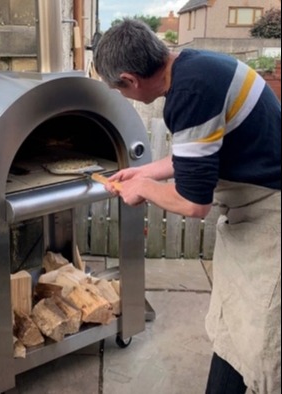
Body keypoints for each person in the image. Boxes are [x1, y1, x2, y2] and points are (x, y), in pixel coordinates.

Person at [93, 19, 281, 394]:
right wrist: (143, 171)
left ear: (130, 80)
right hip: (251, 212)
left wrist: (144, 189)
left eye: (118, 89)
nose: (122, 95)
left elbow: (195, 204)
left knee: (261, 339)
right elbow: (196, 156)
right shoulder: (194, 66)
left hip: (271, 217)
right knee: (232, 325)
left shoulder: (190, 94)